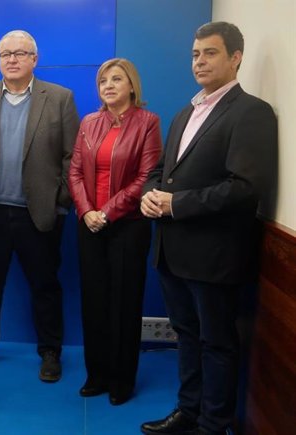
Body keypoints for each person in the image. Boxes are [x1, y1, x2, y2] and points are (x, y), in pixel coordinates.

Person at [140, 22, 277, 435]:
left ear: (236, 57)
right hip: (172, 251)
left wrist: (176, 203)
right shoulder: (187, 110)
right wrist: (150, 193)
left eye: (210, 53)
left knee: (216, 343)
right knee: (185, 335)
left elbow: (246, 187)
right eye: (196, 54)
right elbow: (162, 171)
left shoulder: (252, 111)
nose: (199, 61)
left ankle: (214, 425)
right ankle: (189, 411)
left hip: (214, 256)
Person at [0, 30, 79, 382]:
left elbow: (72, 157)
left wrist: (59, 201)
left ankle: (50, 351)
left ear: (34, 58)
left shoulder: (59, 98)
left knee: (45, 285)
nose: (11, 59)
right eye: (5, 54)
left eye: (20, 53)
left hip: (39, 213)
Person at [68, 58, 162, 405]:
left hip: (128, 228)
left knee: (124, 304)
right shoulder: (89, 122)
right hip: (89, 225)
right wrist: (87, 212)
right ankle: (97, 374)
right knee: (94, 302)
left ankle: (122, 379)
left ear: (132, 86)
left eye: (116, 79)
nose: (108, 85)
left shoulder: (148, 122)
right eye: (103, 80)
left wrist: (106, 212)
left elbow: (146, 177)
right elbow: (75, 171)